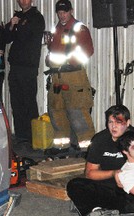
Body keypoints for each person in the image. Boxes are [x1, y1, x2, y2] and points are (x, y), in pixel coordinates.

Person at [45, 0, 95, 148]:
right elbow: (54, 49)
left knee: (77, 111)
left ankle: (87, 148)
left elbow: (88, 51)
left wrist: (71, 61)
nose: (62, 15)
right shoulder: (56, 29)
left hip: (74, 76)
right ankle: (62, 146)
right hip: (57, 77)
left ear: (71, 11)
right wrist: (50, 59)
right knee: (56, 110)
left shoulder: (80, 29)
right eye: (59, 12)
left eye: (65, 12)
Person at [4, 0, 45, 144]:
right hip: (15, 65)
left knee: (29, 102)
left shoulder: (36, 17)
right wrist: (11, 25)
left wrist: (17, 26)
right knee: (16, 102)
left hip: (28, 66)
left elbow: (26, 35)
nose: (23, 1)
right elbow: (7, 38)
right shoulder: (17, 17)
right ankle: (21, 135)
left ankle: (33, 136)